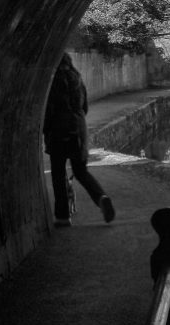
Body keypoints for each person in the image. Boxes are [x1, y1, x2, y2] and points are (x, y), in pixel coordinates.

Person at [44, 52, 114, 226]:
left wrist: (45, 129)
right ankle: (101, 197)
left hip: (59, 132)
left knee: (58, 173)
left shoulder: (53, 81)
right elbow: (85, 107)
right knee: (81, 171)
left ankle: (62, 216)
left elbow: (49, 111)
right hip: (79, 129)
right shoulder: (77, 78)